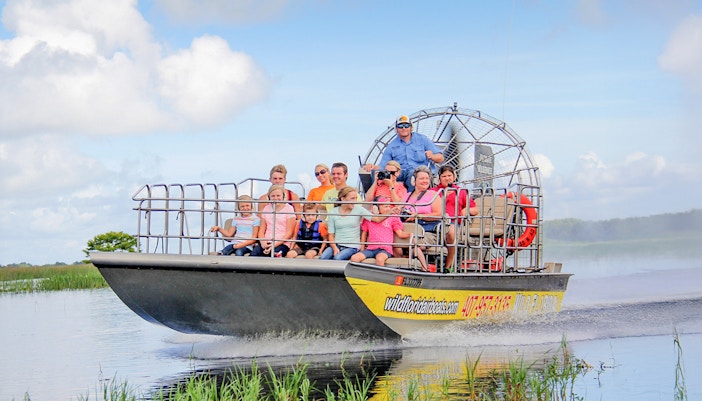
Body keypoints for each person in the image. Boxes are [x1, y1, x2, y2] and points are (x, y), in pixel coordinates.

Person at [363, 115, 444, 191]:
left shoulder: (422, 139)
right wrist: (372, 167)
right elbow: (383, 165)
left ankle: (411, 201)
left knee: (412, 174)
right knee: (378, 173)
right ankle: (379, 200)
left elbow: (440, 158)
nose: (404, 128)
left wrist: (432, 156)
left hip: (418, 173)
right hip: (399, 174)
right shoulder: (392, 146)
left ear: (411, 127)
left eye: (406, 125)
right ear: (396, 129)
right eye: (400, 126)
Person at [401, 166, 458, 271]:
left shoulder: (433, 195)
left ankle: (424, 268)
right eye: (422, 178)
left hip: (427, 231)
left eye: (427, 178)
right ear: (414, 180)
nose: (425, 181)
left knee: (413, 243)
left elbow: (439, 214)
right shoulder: (407, 196)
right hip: (408, 229)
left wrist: (418, 215)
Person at [350, 196, 427, 269]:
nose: (388, 209)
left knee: (380, 259)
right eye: (385, 207)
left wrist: (410, 235)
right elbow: (364, 233)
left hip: (385, 249)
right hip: (371, 248)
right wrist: (362, 249)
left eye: (388, 206)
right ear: (375, 208)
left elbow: (400, 233)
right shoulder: (370, 218)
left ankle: (379, 280)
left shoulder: (392, 217)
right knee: (354, 258)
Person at [320, 186, 379, 260]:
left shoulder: (359, 209)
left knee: (337, 258)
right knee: (322, 258)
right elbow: (331, 235)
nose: (355, 201)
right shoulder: (333, 212)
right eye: (352, 198)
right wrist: (334, 248)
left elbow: (376, 219)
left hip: (352, 246)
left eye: (355, 198)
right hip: (337, 244)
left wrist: (390, 212)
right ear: (343, 199)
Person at [251, 185, 297, 257]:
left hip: (282, 243)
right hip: (267, 241)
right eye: (273, 196)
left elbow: (289, 233)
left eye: (278, 195)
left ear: (283, 196)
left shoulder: (289, 209)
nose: (276, 198)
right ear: (269, 197)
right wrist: (263, 242)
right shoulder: (266, 208)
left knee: (273, 255)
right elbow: (261, 231)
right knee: (253, 254)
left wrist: (274, 245)